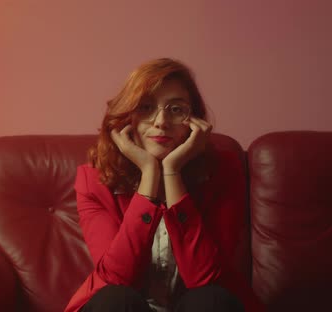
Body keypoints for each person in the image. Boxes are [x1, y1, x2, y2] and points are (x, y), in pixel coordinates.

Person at [64, 58, 264, 312]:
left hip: (198, 305)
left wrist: (171, 172)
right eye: (146, 107)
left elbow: (205, 277)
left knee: (211, 301)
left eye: (176, 109)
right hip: (126, 306)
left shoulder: (223, 171)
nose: (160, 121)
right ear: (127, 117)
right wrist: (149, 173)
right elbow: (116, 276)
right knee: (114, 300)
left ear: (194, 121)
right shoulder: (93, 181)